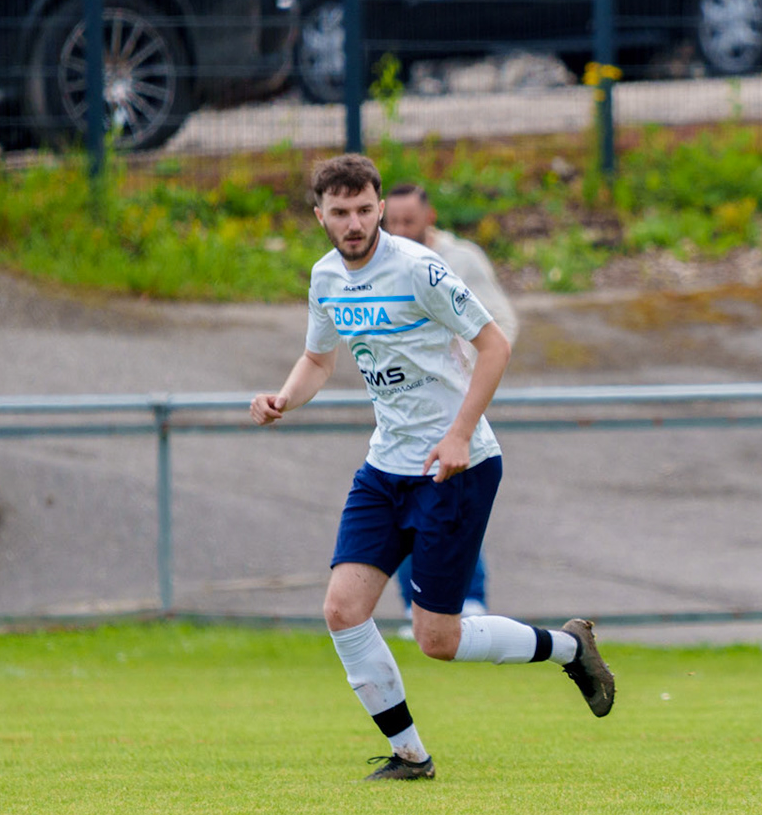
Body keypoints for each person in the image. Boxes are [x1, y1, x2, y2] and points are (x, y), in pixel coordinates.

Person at [249, 154, 615, 782]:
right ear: (320, 216)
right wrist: (284, 396)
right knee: (342, 609)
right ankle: (409, 756)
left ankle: (569, 647)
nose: (354, 222)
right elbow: (317, 360)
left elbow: (494, 345)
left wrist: (458, 435)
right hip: (386, 468)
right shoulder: (325, 278)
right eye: (340, 213)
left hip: (458, 466)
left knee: (438, 640)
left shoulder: (419, 268)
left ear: (381, 207)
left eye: (365, 209)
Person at [382, 183, 520, 632]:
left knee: (453, 496)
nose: (400, 230)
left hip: (456, 405)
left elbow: (501, 324)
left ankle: (472, 597)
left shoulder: (460, 261)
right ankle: (413, 606)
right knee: (408, 502)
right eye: (393, 222)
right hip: (409, 408)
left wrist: (467, 374)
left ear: (430, 217)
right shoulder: (380, 263)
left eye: (409, 221)